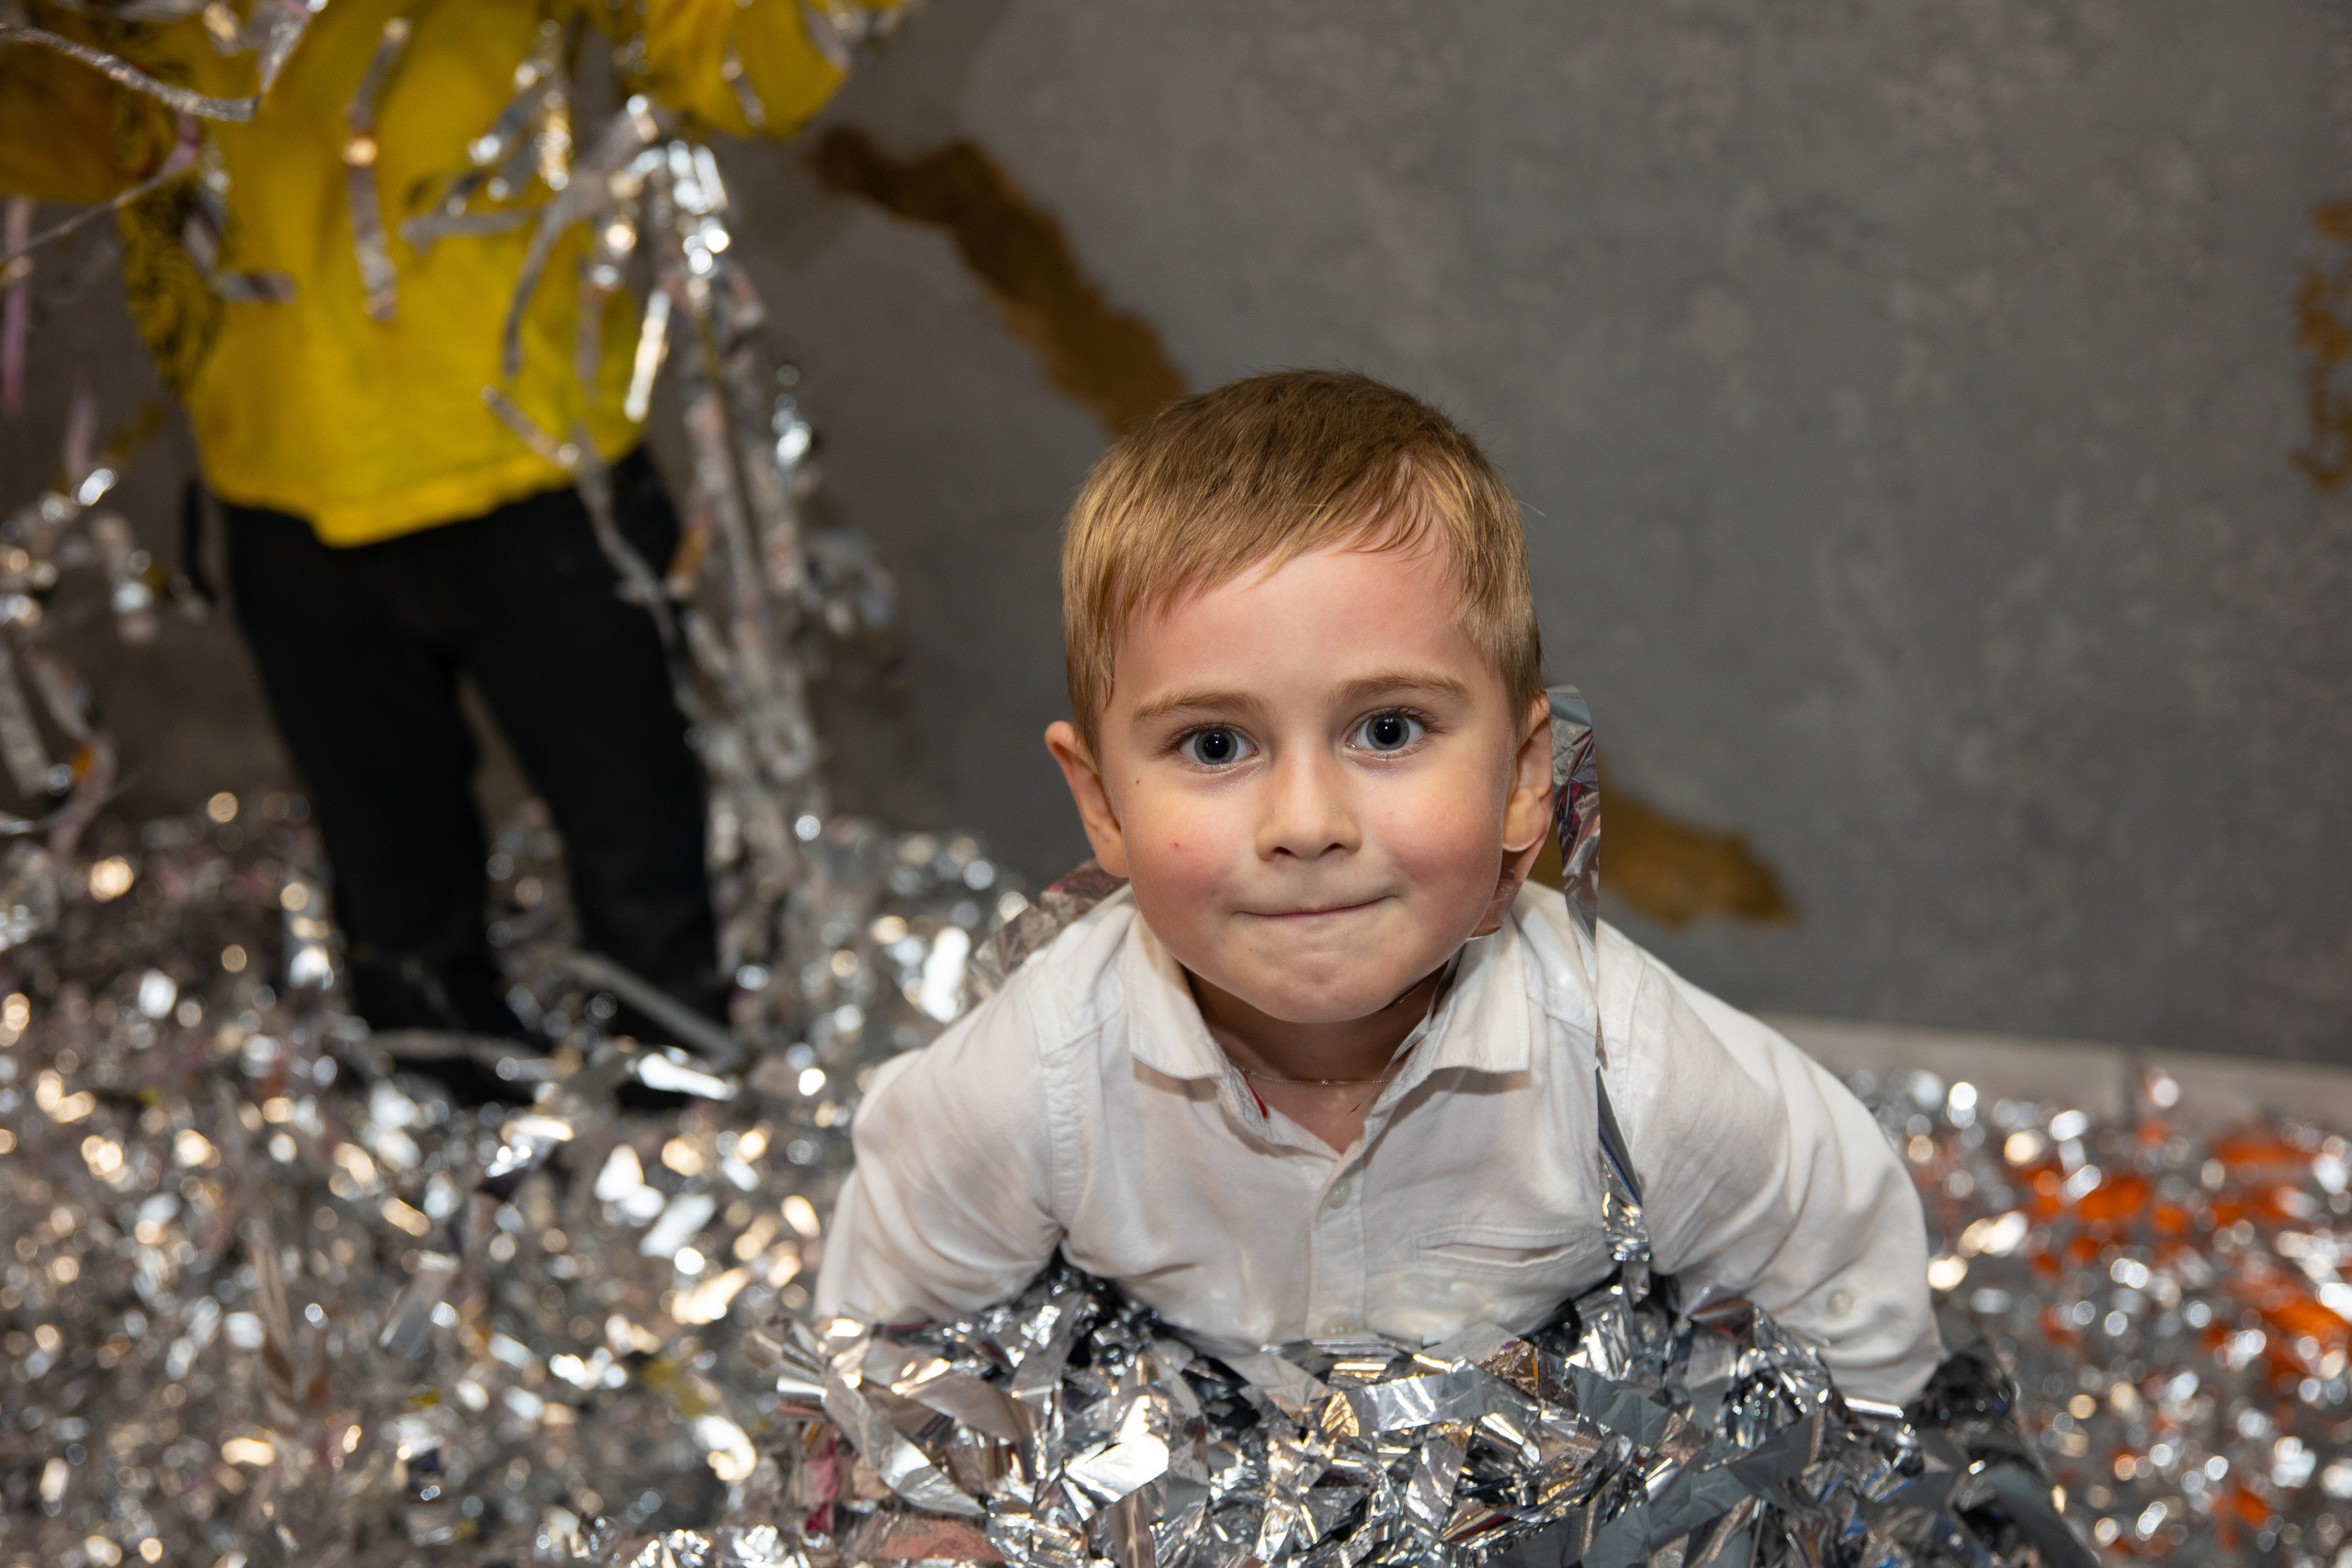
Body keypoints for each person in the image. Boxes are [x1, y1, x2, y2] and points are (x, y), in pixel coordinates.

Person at [814, 370, 1939, 1404]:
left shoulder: (1635, 1072)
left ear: (1524, 780)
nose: (1306, 825)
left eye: (1387, 729)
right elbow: (884, 1324)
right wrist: (919, 1502)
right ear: (1102, 802)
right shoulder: (1034, 1079)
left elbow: (1842, 1274)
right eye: (1214, 746)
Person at [0, 3, 895, 1089]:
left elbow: (720, 61)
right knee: (396, 896)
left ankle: (677, 1123)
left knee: (647, 856)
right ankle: (452, 1142)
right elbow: (92, 124)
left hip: (543, 481)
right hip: (288, 493)